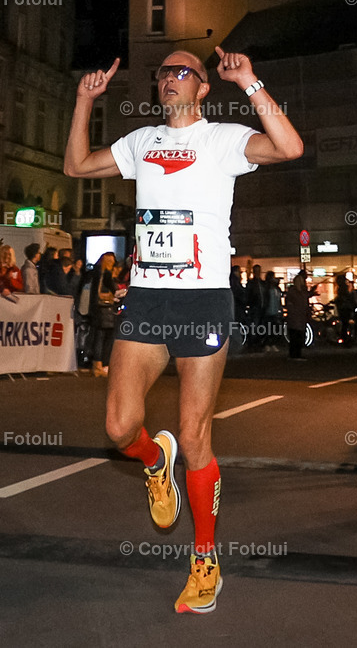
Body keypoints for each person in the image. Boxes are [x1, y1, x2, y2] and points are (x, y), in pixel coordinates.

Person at [64, 45, 303, 613]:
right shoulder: (141, 141)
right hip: (148, 298)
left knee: (195, 437)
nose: (168, 79)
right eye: (162, 73)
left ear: (202, 86)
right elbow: (76, 167)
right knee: (120, 427)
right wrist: (84, 101)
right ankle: (154, 461)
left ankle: (204, 561)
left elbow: (289, 147)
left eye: (181, 72)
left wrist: (249, 82)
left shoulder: (221, 139)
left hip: (203, 299)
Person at [84, 251, 117, 377]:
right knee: (105, 338)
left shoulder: (94, 273)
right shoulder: (107, 274)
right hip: (105, 309)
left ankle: (96, 365)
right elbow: (114, 289)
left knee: (97, 337)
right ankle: (102, 365)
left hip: (95, 308)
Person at [285, 270, 313, 360]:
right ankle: (296, 354)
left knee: (295, 336)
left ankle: (294, 354)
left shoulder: (293, 292)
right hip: (298, 317)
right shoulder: (299, 292)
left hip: (295, 317)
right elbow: (302, 303)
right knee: (297, 336)